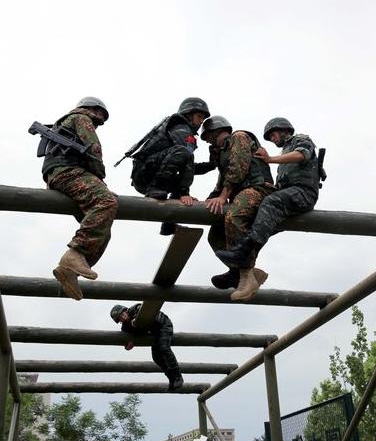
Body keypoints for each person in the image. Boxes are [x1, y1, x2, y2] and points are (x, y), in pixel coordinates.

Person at [216, 117, 320, 299]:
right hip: (288, 196)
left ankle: (244, 251)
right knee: (257, 222)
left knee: (270, 202)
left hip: (303, 193)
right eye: (270, 136)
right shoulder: (286, 152)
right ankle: (245, 271)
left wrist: (270, 159)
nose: (272, 139)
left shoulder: (300, 140)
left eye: (273, 134)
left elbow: (302, 154)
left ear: (284, 130)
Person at [41, 97, 118, 301]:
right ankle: (74, 255)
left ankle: (71, 270)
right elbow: (94, 149)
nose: (100, 120)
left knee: (103, 230)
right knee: (106, 202)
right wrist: (100, 180)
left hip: (63, 174)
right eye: (100, 115)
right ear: (93, 110)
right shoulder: (81, 118)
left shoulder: (68, 120)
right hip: (67, 172)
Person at [200, 115, 275, 301]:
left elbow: (238, 167)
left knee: (234, 217)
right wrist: (211, 199)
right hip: (240, 193)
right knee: (215, 235)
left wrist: (224, 196)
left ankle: (246, 276)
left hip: (258, 188)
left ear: (217, 131)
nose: (208, 140)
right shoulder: (222, 153)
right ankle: (237, 272)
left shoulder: (238, 137)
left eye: (208, 136)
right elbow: (222, 180)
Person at [130, 97, 210, 235]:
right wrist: (184, 193)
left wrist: (210, 166)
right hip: (147, 177)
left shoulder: (180, 130)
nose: (201, 121)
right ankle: (157, 189)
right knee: (183, 153)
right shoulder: (182, 128)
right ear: (189, 114)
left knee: (182, 167)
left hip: (150, 176)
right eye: (199, 116)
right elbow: (186, 157)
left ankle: (169, 225)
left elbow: (187, 166)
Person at [110, 304, 184, 391]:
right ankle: (172, 378)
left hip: (163, 325)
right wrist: (128, 344)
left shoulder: (136, 309)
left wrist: (136, 319)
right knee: (156, 357)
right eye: (119, 319)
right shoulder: (125, 326)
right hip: (154, 333)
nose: (122, 318)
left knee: (164, 348)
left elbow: (146, 309)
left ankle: (178, 377)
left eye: (122, 315)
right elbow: (128, 339)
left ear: (125, 311)